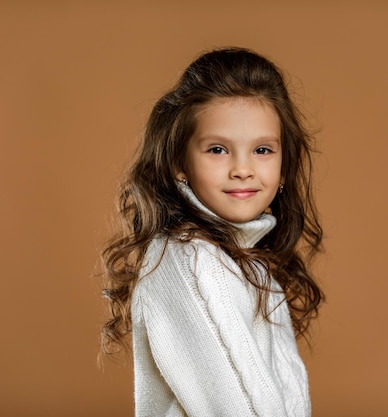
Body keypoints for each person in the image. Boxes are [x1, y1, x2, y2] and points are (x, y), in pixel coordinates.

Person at [101, 47, 324, 417]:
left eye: (263, 150)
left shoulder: (249, 265)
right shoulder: (190, 262)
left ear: (284, 168)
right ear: (179, 163)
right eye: (218, 149)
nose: (242, 168)